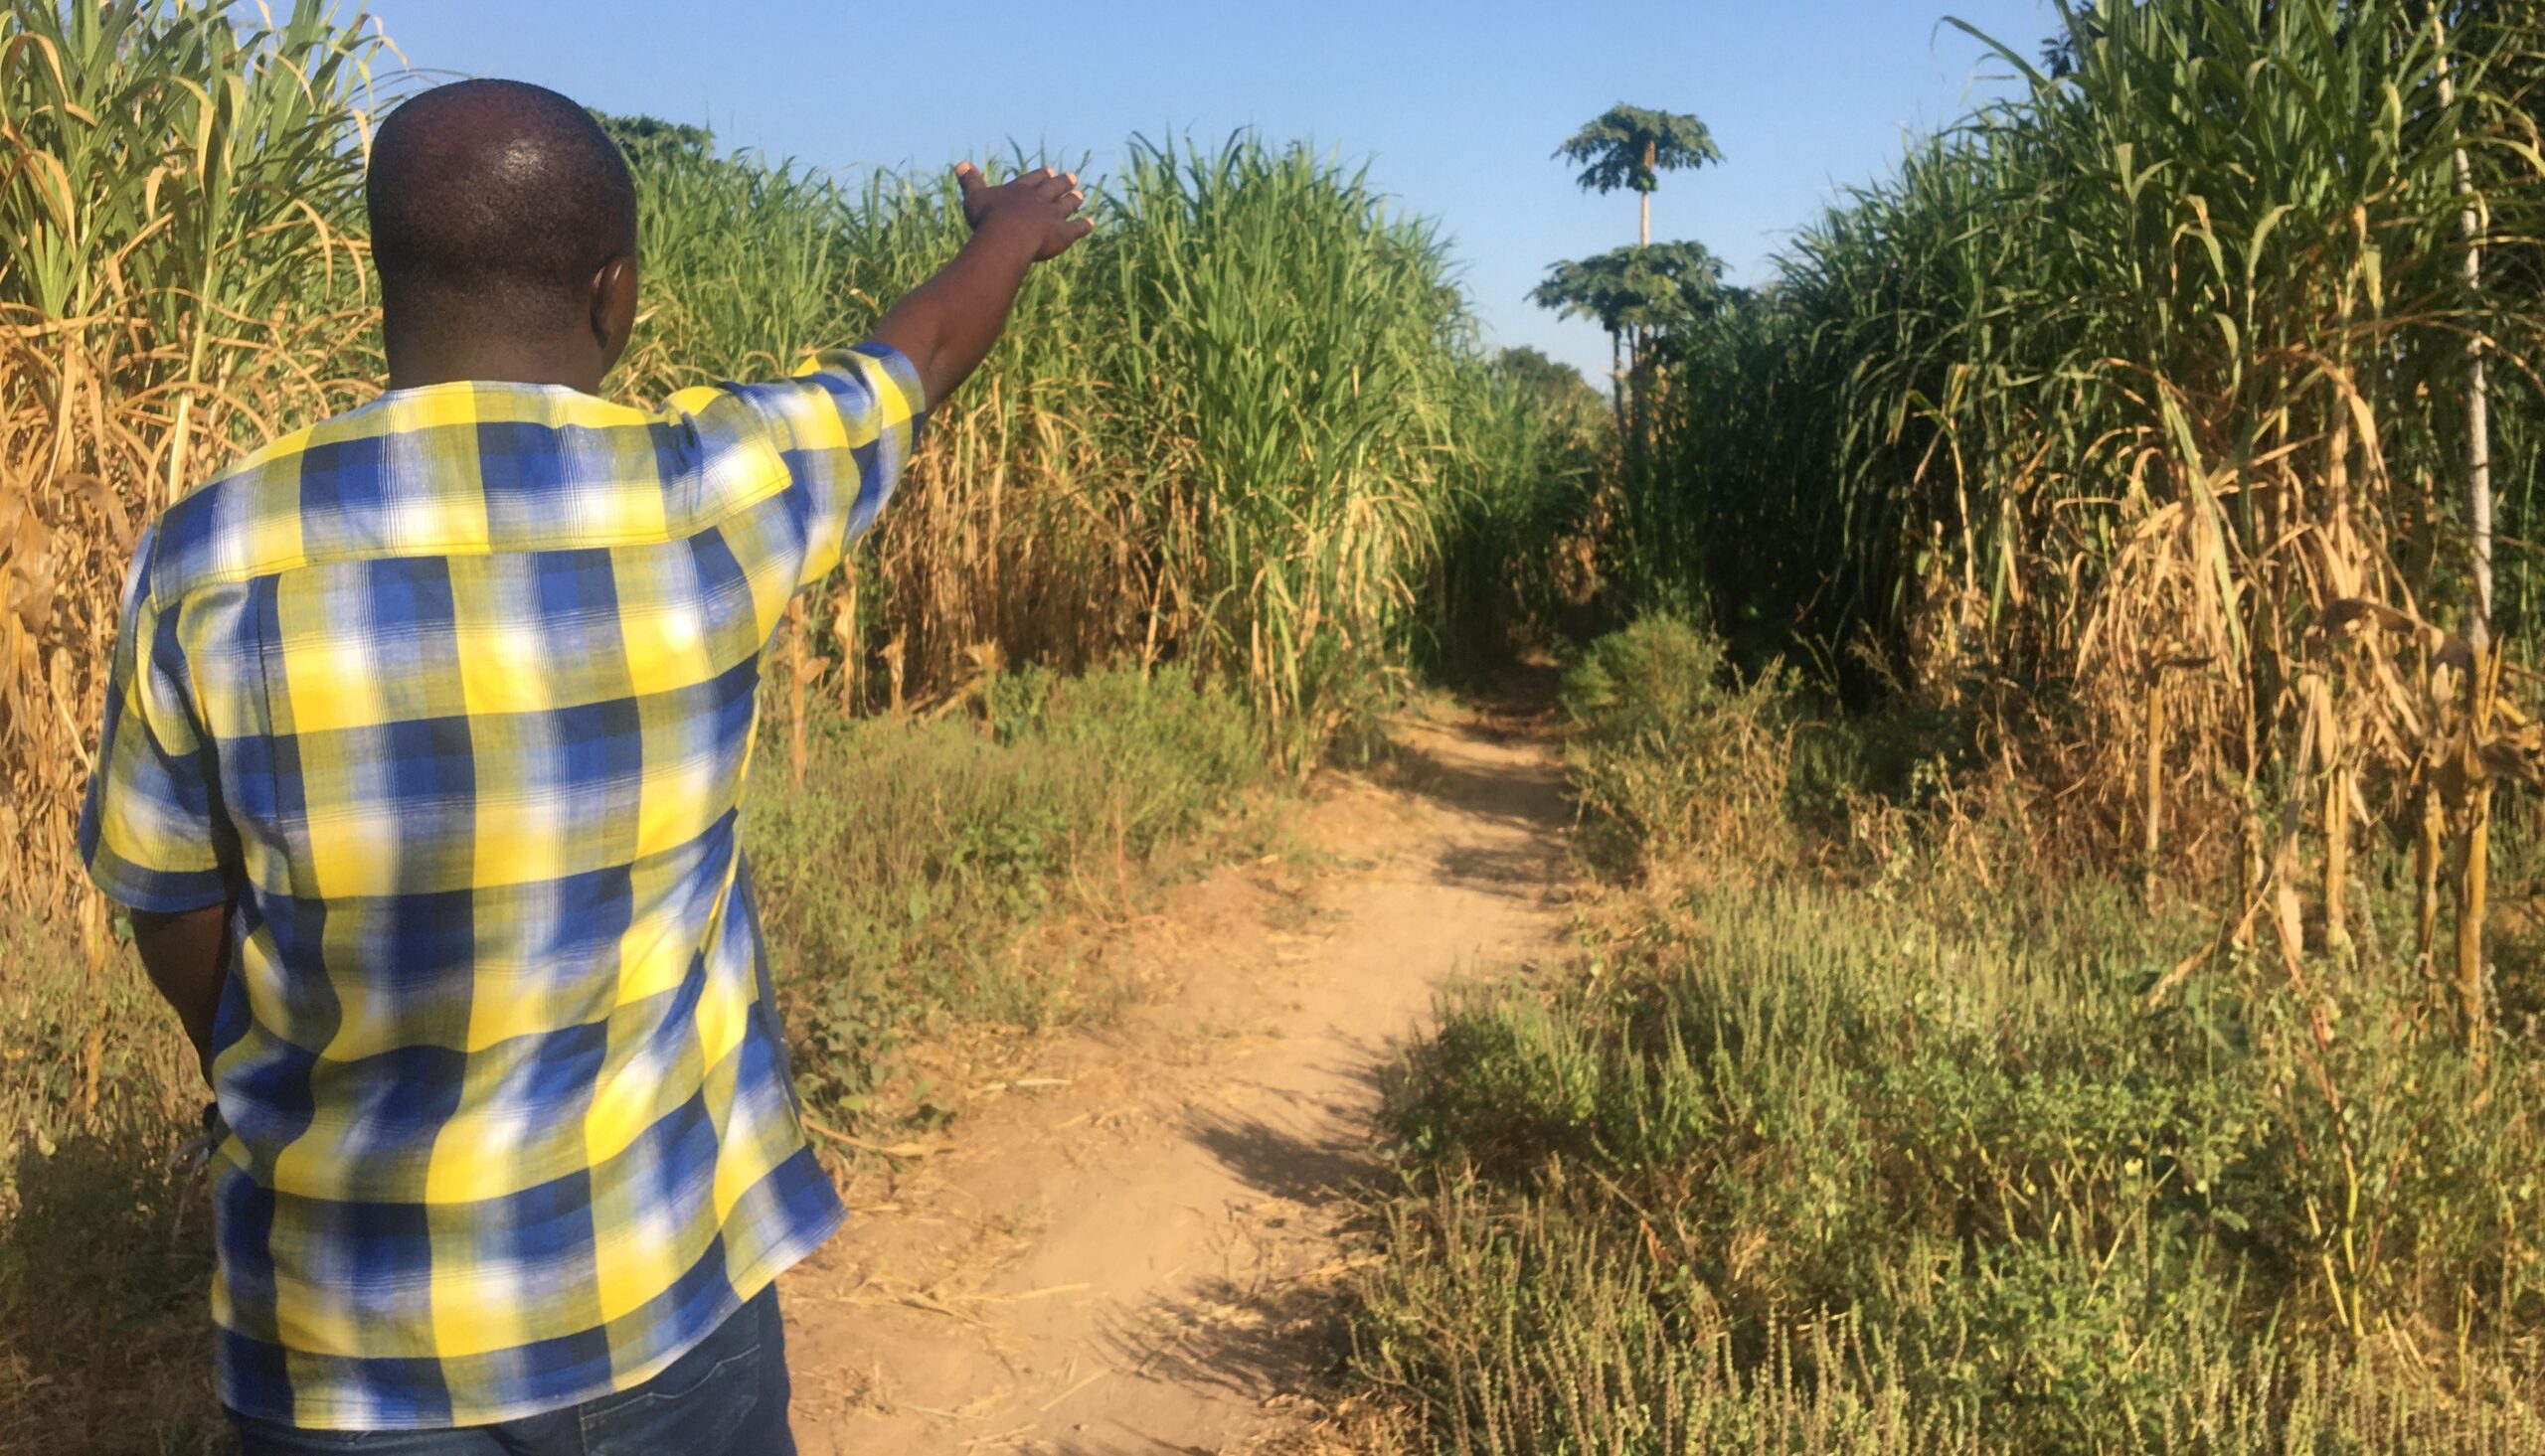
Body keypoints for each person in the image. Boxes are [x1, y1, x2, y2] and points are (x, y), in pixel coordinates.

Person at [77, 78, 1091, 1454]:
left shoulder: (210, 556)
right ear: (612, 293)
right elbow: (914, 353)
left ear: (387, 278)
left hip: (347, 1357)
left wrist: (257, 1066)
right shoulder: (716, 490)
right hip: (661, 1302)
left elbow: (170, 904)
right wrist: (1012, 231)